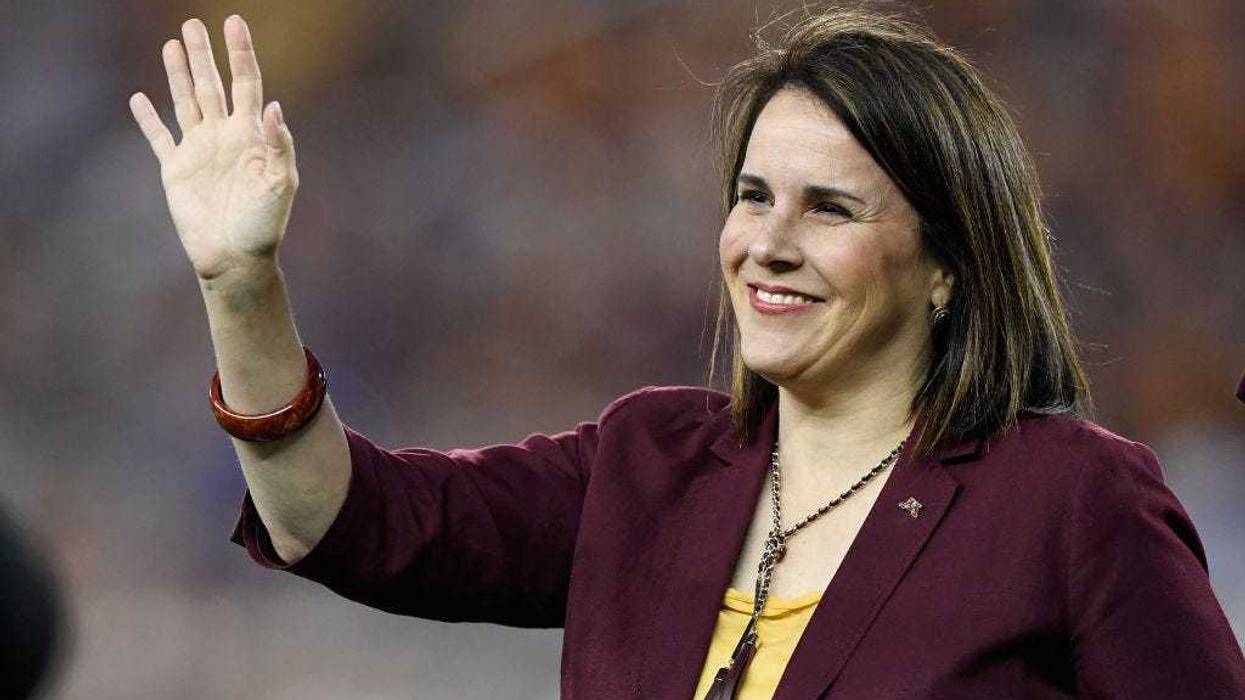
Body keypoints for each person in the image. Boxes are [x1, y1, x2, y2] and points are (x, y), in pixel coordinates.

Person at [128, 7, 1245, 699]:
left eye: (829, 208)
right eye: (753, 196)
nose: (769, 242)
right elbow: (341, 519)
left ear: (948, 262)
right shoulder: (648, 462)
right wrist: (242, 285)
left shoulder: (1071, 501)